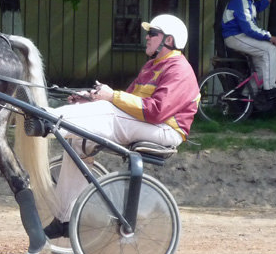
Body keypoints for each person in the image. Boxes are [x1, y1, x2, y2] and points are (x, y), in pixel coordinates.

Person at [27, 14, 200, 235]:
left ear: (169, 40)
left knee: (108, 111)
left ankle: (47, 121)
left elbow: (156, 111)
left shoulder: (179, 69)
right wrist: (90, 98)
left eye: (152, 34)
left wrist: (110, 97)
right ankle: (66, 219)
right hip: (145, 124)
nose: (146, 37)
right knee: (77, 141)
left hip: (165, 130)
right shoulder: (151, 66)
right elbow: (125, 103)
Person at [222, 0, 276, 101]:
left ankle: (246, 98)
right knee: (270, 50)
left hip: (239, 35)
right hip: (235, 36)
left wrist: (267, 1)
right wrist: (269, 37)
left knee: (262, 68)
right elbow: (248, 27)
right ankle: (269, 88)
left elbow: (254, 9)